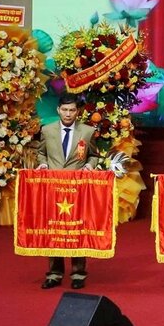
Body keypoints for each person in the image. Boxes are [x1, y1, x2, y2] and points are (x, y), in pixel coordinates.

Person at [36, 93, 99, 289]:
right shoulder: (47, 130)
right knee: (54, 230)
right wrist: (44, 164)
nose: (68, 114)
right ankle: (54, 273)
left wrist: (89, 166)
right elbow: (40, 152)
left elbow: (93, 155)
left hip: (77, 188)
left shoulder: (87, 131)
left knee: (76, 230)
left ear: (77, 112)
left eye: (72, 110)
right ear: (58, 110)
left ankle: (78, 274)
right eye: (65, 110)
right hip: (53, 188)